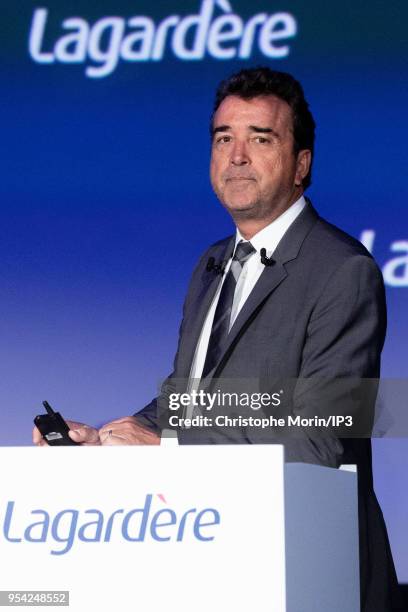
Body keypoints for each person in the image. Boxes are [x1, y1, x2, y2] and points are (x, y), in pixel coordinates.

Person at [33, 67, 403, 611]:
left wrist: (168, 448)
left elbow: (321, 438)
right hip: (214, 564)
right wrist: (116, 437)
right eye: (224, 137)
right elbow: (192, 401)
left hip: (308, 574)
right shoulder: (210, 263)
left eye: (260, 138)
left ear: (302, 164)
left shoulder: (343, 270)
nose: (236, 155)